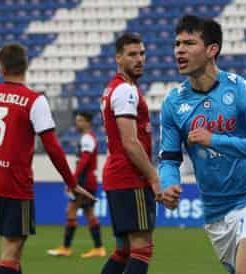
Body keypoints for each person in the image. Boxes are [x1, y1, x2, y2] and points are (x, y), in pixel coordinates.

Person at [158, 15, 246, 274]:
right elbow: (169, 159)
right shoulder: (172, 103)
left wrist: (214, 140)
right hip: (215, 213)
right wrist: (168, 183)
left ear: (212, 50)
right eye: (177, 43)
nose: (179, 50)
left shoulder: (241, 90)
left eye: (189, 43)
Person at [0, 43, 94, 274]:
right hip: (15, 185)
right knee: (11, 252)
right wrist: (71, 183)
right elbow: (52, 147)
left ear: (1, 68)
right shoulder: (34, 101)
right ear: (26, 67)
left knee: (10, 251)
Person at [100, 33, 161, 274]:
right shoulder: (126, 90)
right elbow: (130, 142)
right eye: (132, 54)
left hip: (118, 176)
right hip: (130, 177)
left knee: (124, 250)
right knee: (141, 248)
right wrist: (153, 178)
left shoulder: (113, 88)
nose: (139, 59)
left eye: (142, 54)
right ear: (118, 58)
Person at [47, 111, 106, 258]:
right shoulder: (88, 138)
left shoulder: (87, 138)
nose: (77, 123)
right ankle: (97, 248)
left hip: (85, 182)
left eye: (80, 120)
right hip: (87, 180)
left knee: (72, 210)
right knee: (87, 213)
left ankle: (68, 247)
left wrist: (72, 180)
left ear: (88, 122)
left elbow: (84, 161)